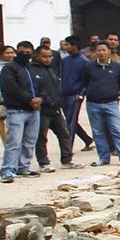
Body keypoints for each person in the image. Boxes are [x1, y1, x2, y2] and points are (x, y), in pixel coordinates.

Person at [0, 41, 43, 182]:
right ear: (17, 51)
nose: (25, 54)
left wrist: (40, 99)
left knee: (29, 141)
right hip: (16, 110)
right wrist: (29, 99)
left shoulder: (33, 68)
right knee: (14, 141)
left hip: (34, 111)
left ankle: (24, 167)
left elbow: (42, 86)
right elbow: (11, 87)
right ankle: (8, 169)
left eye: (28, 52)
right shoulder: (9, 69)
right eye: (22, 51)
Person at [81, 40, 120, 166]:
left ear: (109, 51)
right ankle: (103, 158)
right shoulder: (89, 67)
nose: (101, 53)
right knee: (98, 132)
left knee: (116, 130)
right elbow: (85, 82)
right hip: (93, 104)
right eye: (99, 50)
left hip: (111, 103)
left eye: (104, 50)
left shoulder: (117, 67)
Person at [31, 42, 72, 171]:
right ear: (37, 56)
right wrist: (46, 100)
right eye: (44, 57)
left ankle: (67, 160)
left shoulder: (51, 69)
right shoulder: (32, 70)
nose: (47, 59)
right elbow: (38, 90)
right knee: (41, 137)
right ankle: (43, 162)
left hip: (56, 109)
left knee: (64, 134)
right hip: (43, 109)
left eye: (50, 57)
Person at [59, 35, 97, 151]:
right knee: (70, 120)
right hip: (63, 94)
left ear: (75, 46)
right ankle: (87, 139)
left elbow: (87, 80)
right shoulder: (65, 60)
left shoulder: (84, 61)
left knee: (70, 121)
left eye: (68, 45)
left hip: (75, 95)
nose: (65, 47)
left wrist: (81, 94)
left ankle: (67, 148)